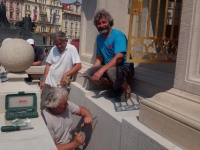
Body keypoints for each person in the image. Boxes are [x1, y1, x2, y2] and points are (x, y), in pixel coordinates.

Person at [83, 9, 134, 102]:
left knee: (111, 72)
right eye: (99, 23)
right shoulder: (99, 38)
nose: (102, 25)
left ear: (109, 22)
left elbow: (119, 58)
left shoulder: (118, 35)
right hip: (111, 68)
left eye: (104, 22)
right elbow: (100, 57)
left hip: (126, 68)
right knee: (89, 72)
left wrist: (101, 71)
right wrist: (92, 71)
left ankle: (126, 88)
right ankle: (116, 86)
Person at [40, 31, 81, 110]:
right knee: (44, 106)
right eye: (56, 44)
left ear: (65, 40)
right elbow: (48, 65)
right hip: (49, 82)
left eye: (60, 43)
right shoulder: (53, 49)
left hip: (61, 86)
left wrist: (65, 75)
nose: (58, 46)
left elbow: (78, 66)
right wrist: (43, 80)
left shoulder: (71, 48)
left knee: (57, 108)